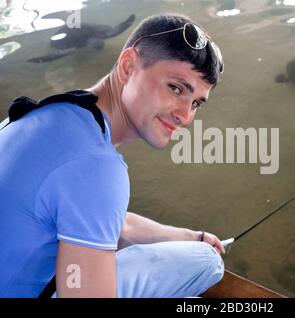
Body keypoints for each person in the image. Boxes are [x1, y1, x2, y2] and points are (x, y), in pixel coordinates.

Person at [0, 14, 225, 298]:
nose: (185, 116)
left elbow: (103, 216)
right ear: (128, 66)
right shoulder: (97, 167)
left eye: (195, 103)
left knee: (197, 248)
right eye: (176, 88)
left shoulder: (49, 114)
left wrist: (193, 237)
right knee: (205, 261)